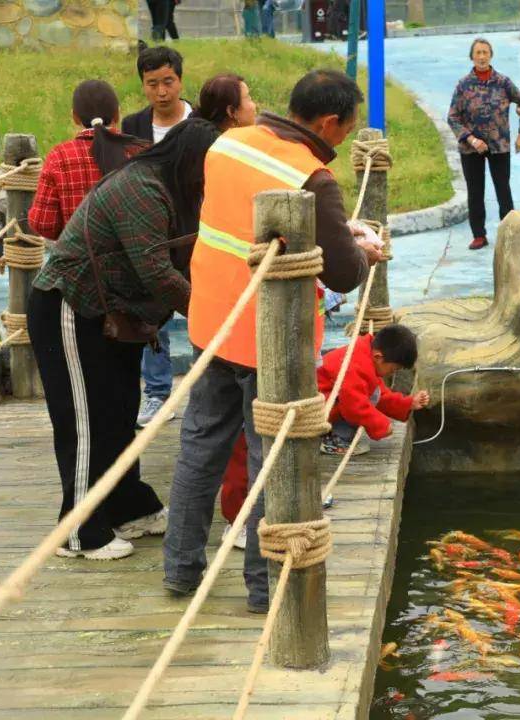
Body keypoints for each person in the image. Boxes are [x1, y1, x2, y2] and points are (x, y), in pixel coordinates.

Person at [163, 69, 381, 613]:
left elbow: (245, 225)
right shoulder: (311, 179)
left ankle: (180, 568)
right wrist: (361, 249)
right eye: (346, 128)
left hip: (211, 321)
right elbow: (345, 276)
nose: (344, 137)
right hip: (271, 342)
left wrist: (332, 236)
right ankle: (264, 590)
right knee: (270, 464)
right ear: (329, 122)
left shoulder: (227, 144)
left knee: (200, 449)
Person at [26, 119, 219, 561]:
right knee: (84, 421)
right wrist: (212, 314)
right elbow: (155, 269)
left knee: (118, 413)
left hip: (116, 314)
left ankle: (127, 504)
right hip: (69, 306)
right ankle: (78, 531)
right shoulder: (143, 188)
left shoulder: (177, 192)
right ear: (191, 160)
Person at [194, 72, 260, 551]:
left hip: (213, 314)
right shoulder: (232, 153)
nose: (256, 103)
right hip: (240, 316)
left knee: (206, 441)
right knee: (246, 440)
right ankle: (244, 526)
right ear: (233, 112)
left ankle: (184, 562)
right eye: (250, 97)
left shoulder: (218, 148)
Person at [122, 47, 194, 428]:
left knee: (205, 306)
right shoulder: (133, 126)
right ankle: (156, 393)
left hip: (197, 231)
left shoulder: (200, 123)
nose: (162, 91)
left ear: (180, 80)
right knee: (154, 314)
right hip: (151, 234)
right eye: (153, 84)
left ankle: (205, 387)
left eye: (168, 82)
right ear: (143, 86)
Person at [29, 80, 147, 241]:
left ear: (75, 117)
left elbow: (43, 224)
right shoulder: (141, 152)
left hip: (77, 261)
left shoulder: (59, 156)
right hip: (133, 261)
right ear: (117, 114)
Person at [447, 38, 520, 251]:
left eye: (485, 52)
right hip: (471, 148)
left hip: (499, 145)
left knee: (503, 189)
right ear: (472, 57)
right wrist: (471, 139)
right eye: (478, 53)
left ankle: (510, 234)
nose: (482, 57)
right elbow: (453, 117)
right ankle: (479, 235)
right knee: (475, 191)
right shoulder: (463, 85)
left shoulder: (503, 82)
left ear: (491, 55)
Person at [319, 325, 430, 456]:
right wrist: (381, 425)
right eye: (393, 370)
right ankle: (335, 441)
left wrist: (408, 403)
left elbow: (380, 395)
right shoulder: (354, 366)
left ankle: (336, 435)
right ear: (378, 357)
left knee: (373, 393)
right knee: (359, 400)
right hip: (320, 411)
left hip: (327, 407)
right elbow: (354, 406)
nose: (390, 374)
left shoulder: (365, 357)